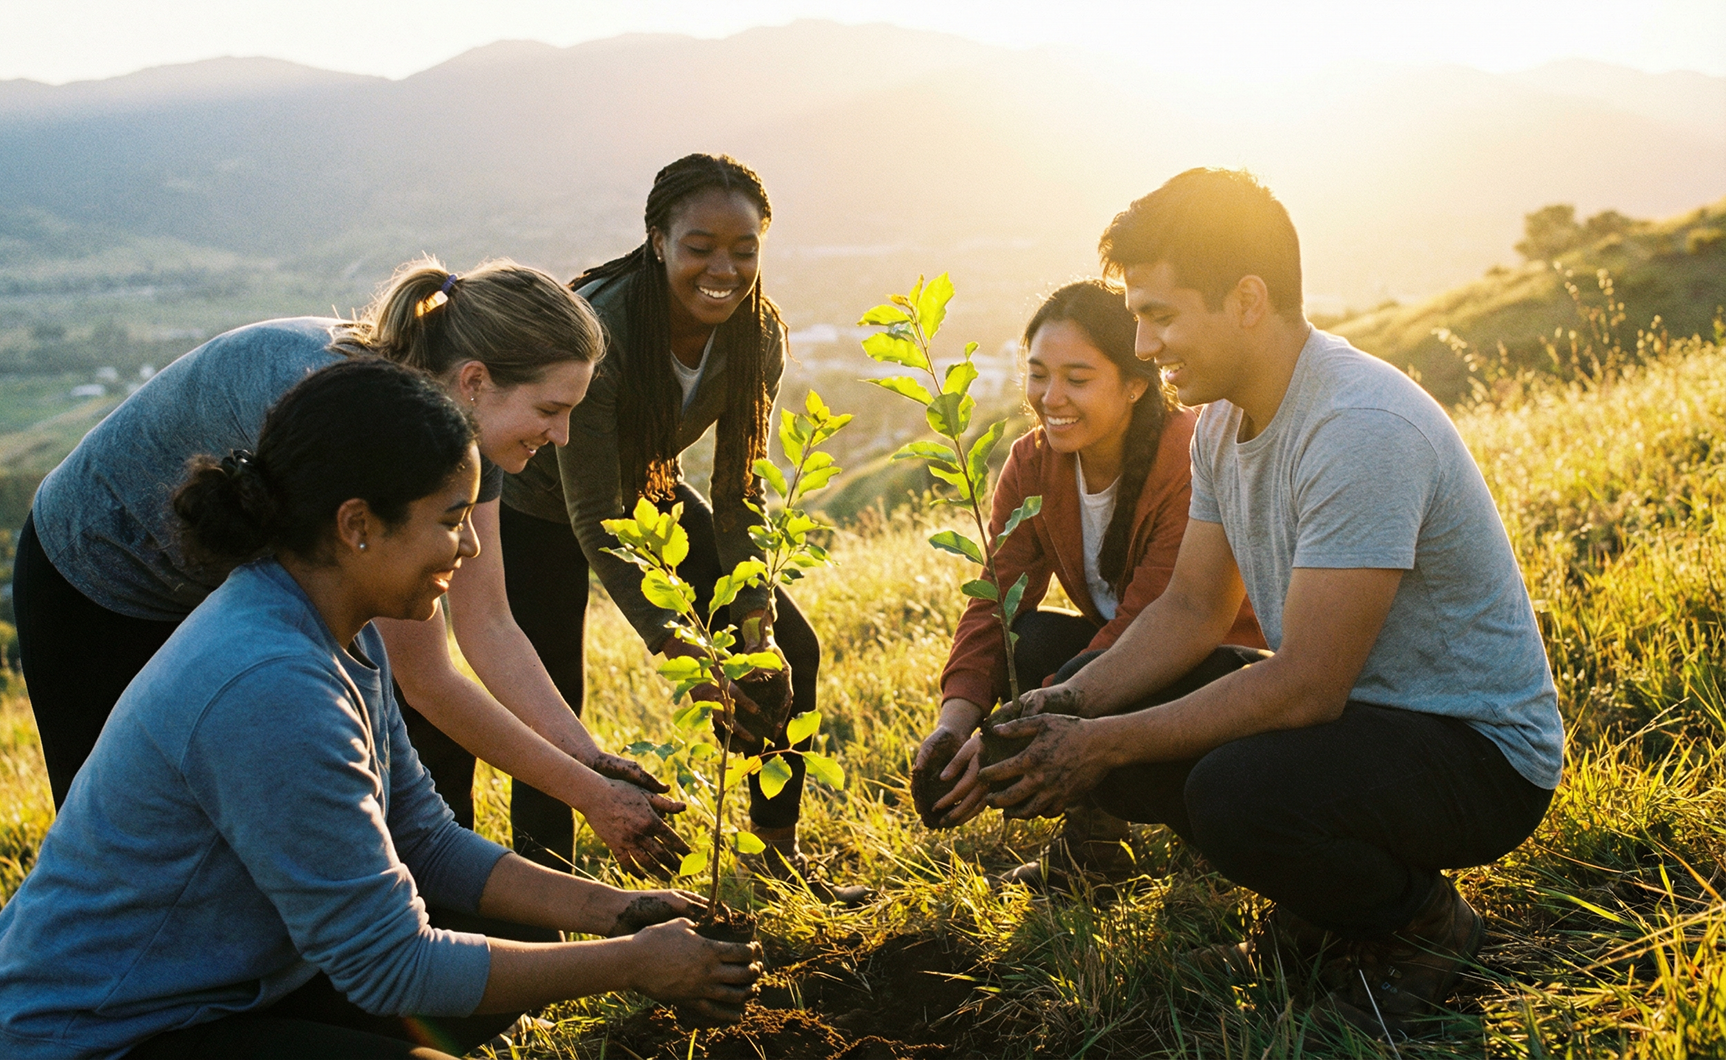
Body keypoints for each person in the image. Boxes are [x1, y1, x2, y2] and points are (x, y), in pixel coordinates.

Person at [0, 360, 761, 1060]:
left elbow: (423, 839)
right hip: (97, 1037)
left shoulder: (339, 624)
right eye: (451, 520)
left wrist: (620, 914)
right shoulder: (270, 686)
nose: (471, 548)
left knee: (520, 937)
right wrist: (633, 964)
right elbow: (391, 965)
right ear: (358, 527)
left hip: (220, 990)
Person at [975, 169, 1562, 1040]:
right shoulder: (1218, 419)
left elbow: (1306, 688)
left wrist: (1096, 744)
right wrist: (1069, 701)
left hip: (1474, 752)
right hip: (1363, 723)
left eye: (1161, 316)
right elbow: (1189, 610)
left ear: (1247, 299)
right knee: (1133, 709)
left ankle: (1423, 927)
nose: (1143, 343)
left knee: (1235, 792)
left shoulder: (1359, 427)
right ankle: (1328, 911)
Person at [13, 257, 689, 877]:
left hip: (224, 587)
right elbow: (427, 679)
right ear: (475, 382)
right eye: (551, 410)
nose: (563, 436)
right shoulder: (363, 424)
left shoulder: (462, 432)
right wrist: (591, 798)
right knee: (129, 840)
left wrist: (591, 759)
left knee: (264, 827)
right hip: (96, 582)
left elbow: (489, 623)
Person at [500, 153, 866, 903]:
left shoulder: (755, 333)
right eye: (701, 248)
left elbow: (738, 490)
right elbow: (592, 513)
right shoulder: (601, 330)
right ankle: (542, 914)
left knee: (791, 650)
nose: (723, 269)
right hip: (532, 504)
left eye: (744, 250)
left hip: (647, 489)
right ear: (658, 239)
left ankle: (776, 855)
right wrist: (686, 652)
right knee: (552, 708)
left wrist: (752, 632)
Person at [911, 280, 1263, 890]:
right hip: (1121, 656)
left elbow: (1149, 622)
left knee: (1079, 667)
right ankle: (1095, 846)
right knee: (1032, 636)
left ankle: (1218, 851)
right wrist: (956, 720)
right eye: (1039, 374)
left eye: (1077, 378)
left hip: (1215, 666)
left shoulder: (1185, 458)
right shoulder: (1033, 462)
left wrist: (1009, 737)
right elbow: (996, 599)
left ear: (1135, 382)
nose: (1052, 398)